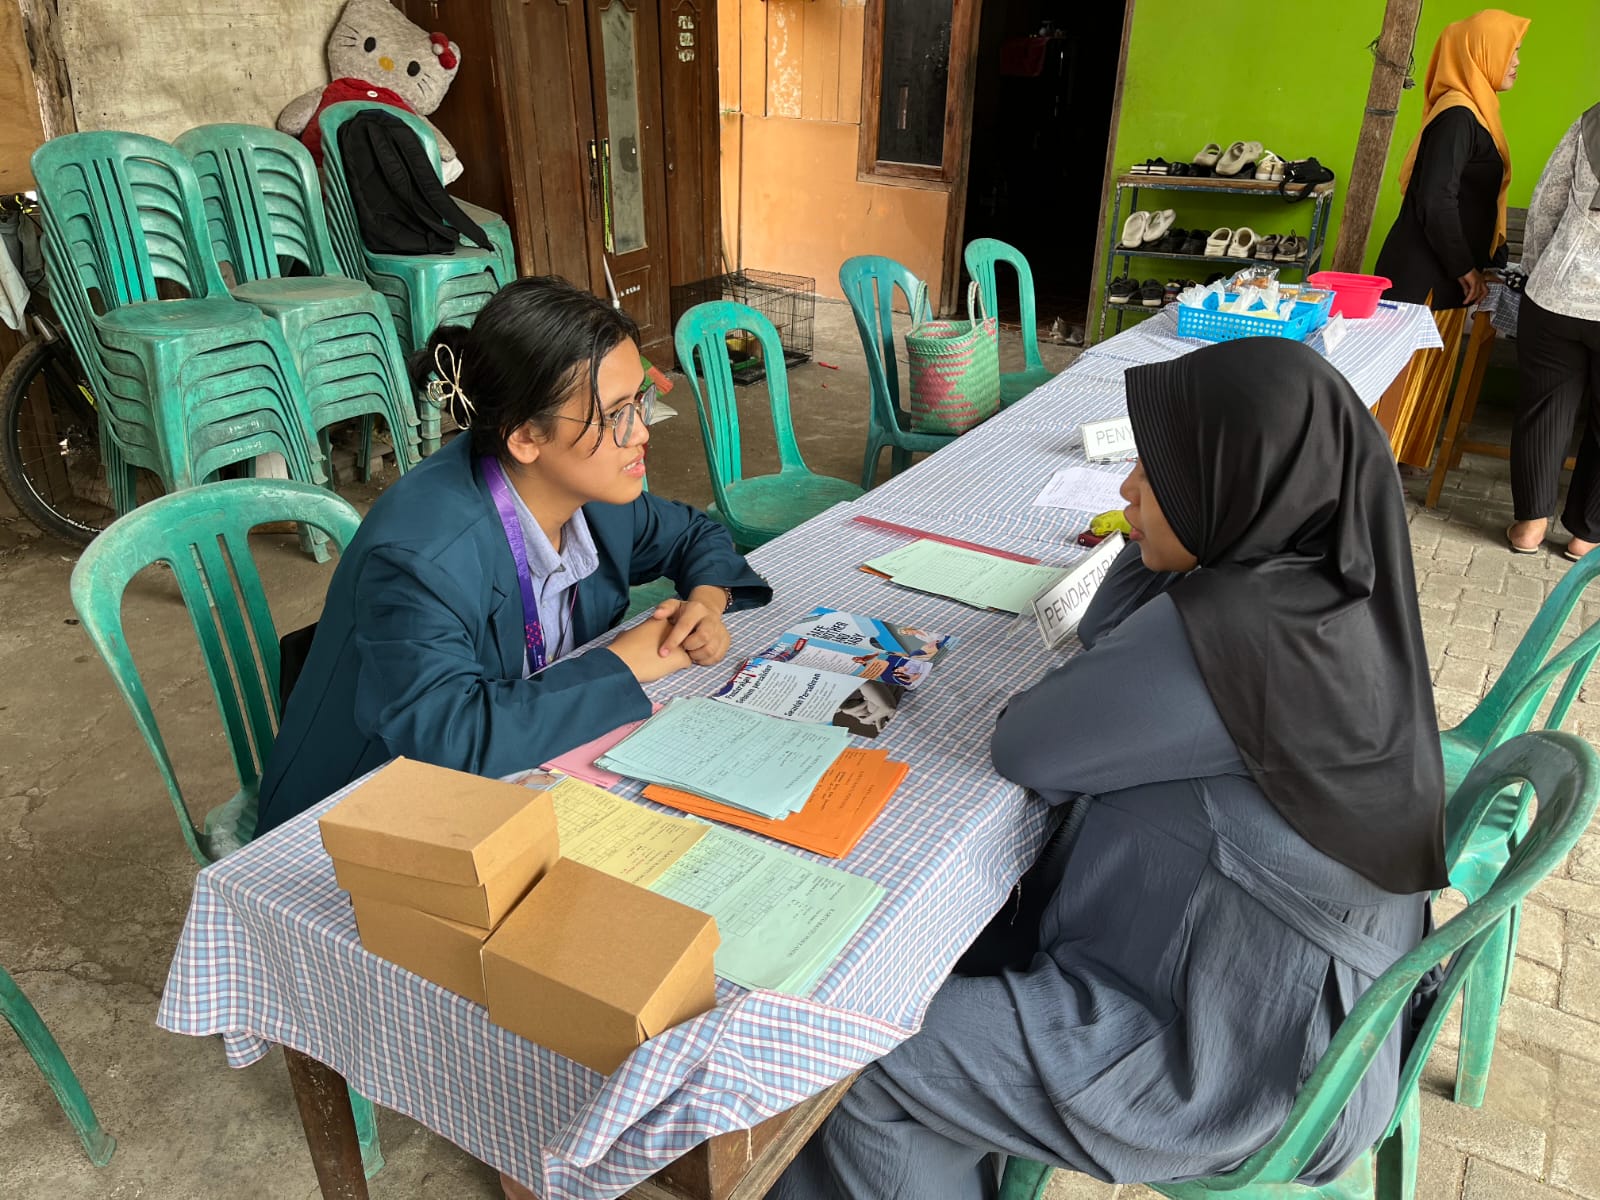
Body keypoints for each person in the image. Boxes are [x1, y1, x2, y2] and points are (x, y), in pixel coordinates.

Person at [770, 338, 1443, 1199]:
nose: (1126, 492)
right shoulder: (1333, 580)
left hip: (1233, 1065)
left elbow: (1029, 744)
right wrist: (1170, 533)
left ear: (1236, 484)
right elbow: (1105, 631)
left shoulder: (1227, 640)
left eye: (1156, 473)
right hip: (1315, 1015)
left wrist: (1170, 545)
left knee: (857, 1060)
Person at [255, 277, 771, 834]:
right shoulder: (422, 557)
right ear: (525, 437)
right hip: (363, 813)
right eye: (616, 413)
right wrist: (624, 663)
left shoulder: (595, 493)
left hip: (521, 762)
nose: (641, 431)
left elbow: (696, 535)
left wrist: (706, 602)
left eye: (641, 400)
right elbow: (448, 738)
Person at [1375, 8, 1530, 469]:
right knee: (1402, 380)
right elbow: (1435, 199)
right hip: (1426, 274)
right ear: (1482, 53)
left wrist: (1485, 261)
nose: (1517, 61)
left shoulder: (1473, 112)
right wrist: (1465, 267)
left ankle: (1387, 470)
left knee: (1420, 378)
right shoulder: (1458, 115)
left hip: (1440, 273)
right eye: (1513, 51)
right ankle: (1370, 477)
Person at [1506, 103, 1600, 560]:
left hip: (1557, 295)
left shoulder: (1593, 120)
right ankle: (1587, 535)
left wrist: (1535, 270)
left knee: (1544, 409)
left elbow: (1548, 200)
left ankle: (1529, 526)